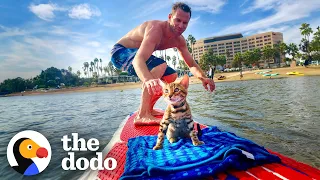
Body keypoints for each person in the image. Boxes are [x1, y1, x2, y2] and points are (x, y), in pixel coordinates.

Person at [110, 2, 215, 126]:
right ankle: (142, 115)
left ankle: (148, 109)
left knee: (171, 76)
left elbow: (191, 63)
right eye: (178, 20)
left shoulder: (179, 40)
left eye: (185, 23)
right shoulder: (155, 29)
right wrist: (148, 79)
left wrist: (203, 77)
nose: (181, 25)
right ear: (170, 17)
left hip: (137, 54)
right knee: (160, 65)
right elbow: (139, 59)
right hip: (120, 53)